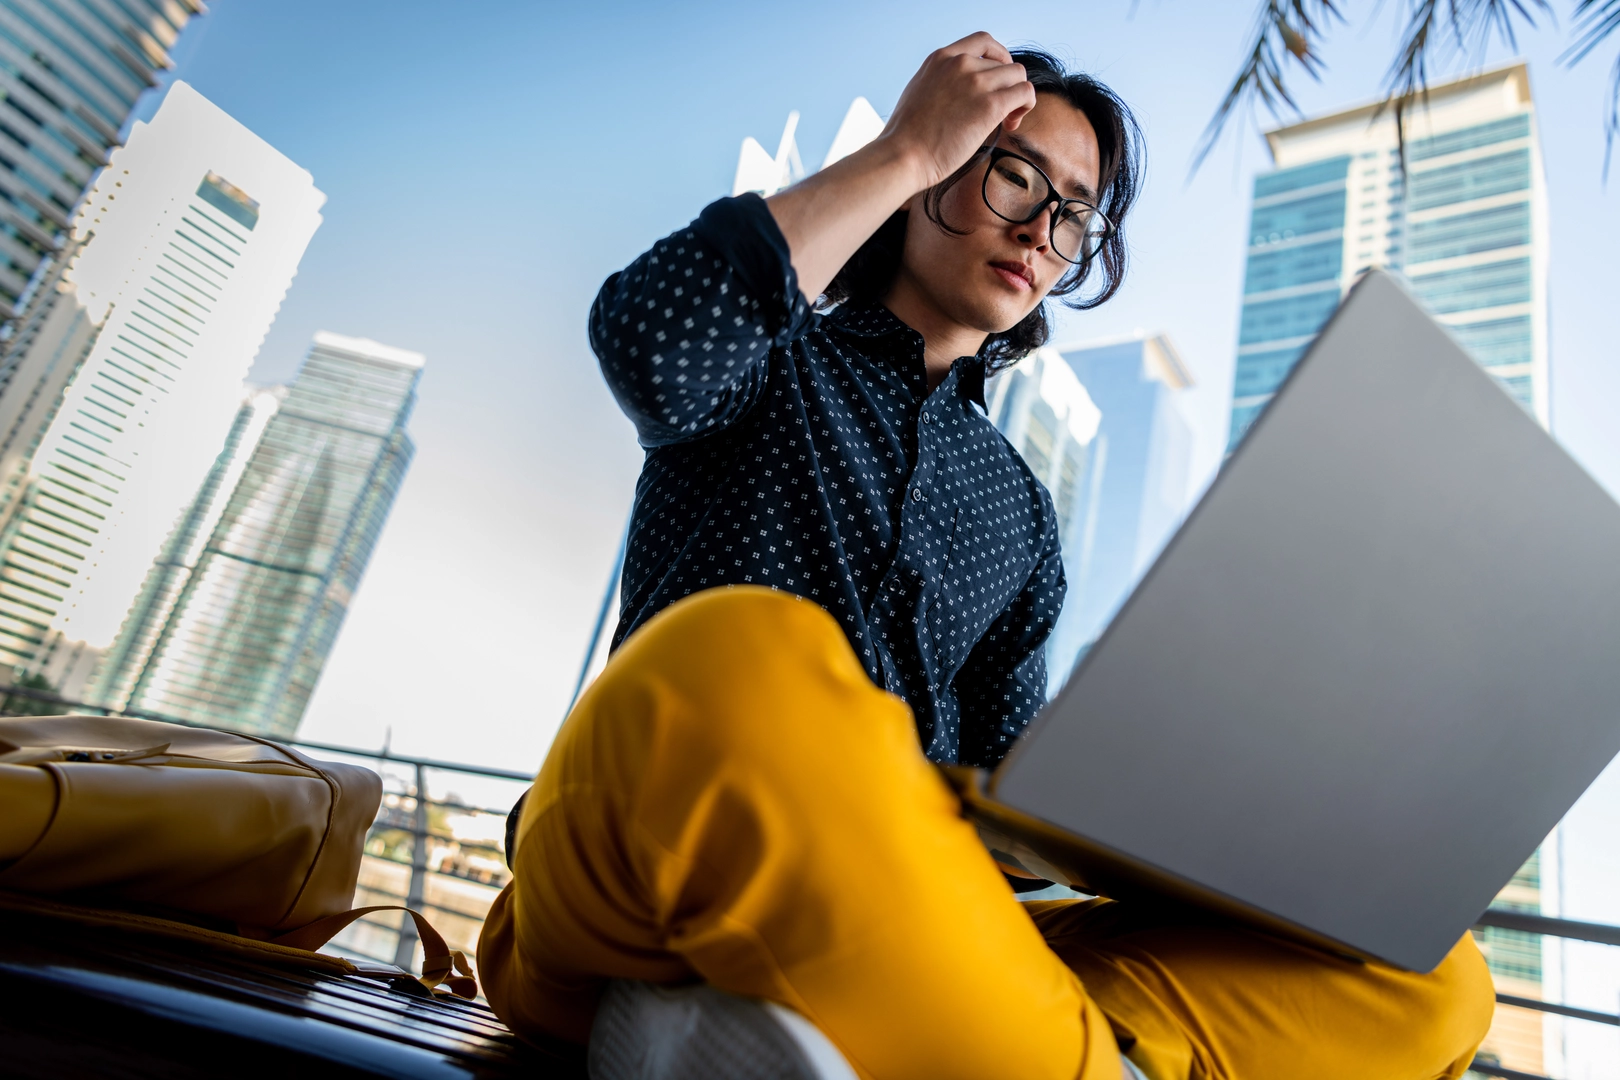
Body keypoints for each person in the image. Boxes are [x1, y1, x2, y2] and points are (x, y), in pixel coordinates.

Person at [480, 33, 1494, 1080]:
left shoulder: (1021, 515)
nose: (1042, 229)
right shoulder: (768, 357)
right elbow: (650, 335)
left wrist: (1196, 828)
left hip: (886, 903)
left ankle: (887, 1035)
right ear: (939, 162)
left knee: (1429, 976)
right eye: (1014, 174)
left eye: (1074, 215)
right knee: (749, 653)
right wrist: (903, 151)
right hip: (639, 865)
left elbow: (1000, 819)